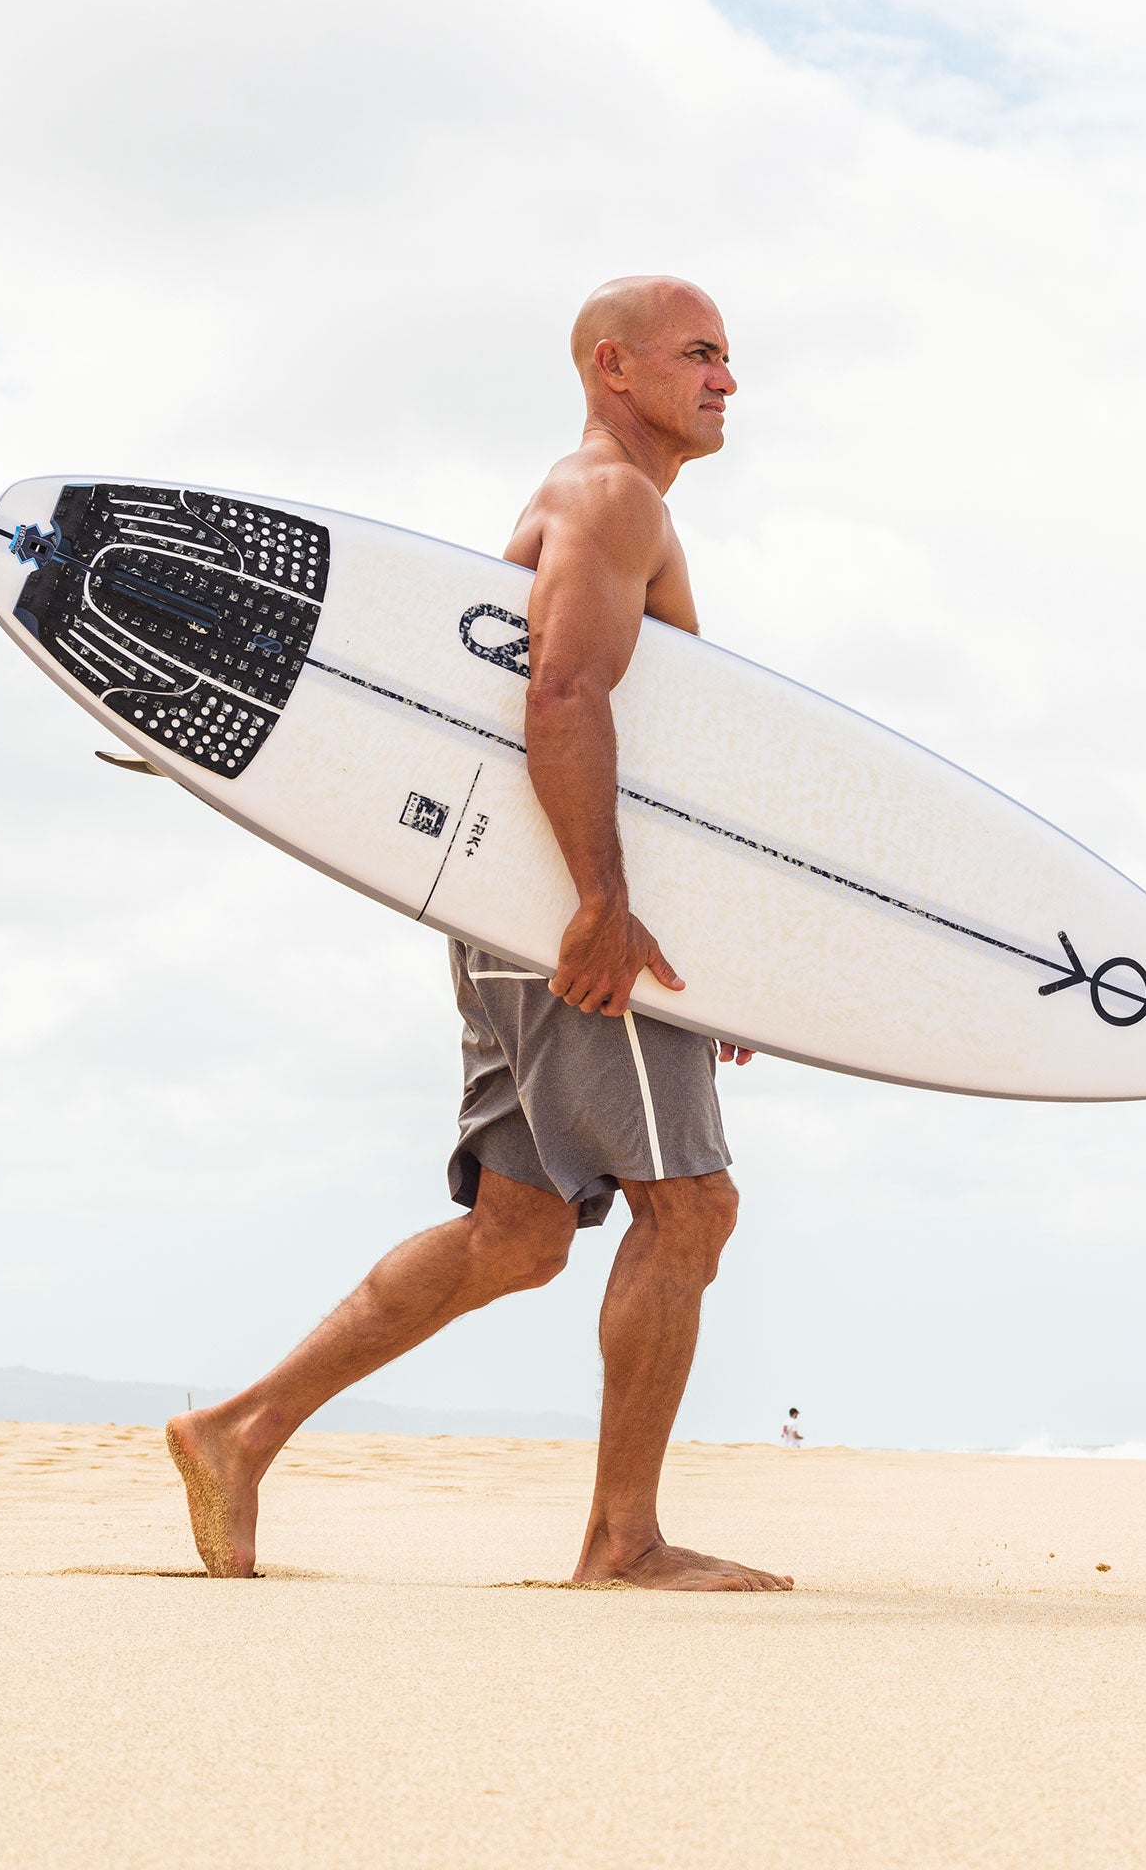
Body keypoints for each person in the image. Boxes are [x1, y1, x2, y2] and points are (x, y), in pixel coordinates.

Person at [165, 276, 792, 1592]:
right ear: (614, 367)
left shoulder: (605, 506)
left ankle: (239, 1430)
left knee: (520, 1232)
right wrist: (603, 910)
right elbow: (562, 694)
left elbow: (642, 747)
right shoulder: (611, 500)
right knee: (689, 1209)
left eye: (731, 359)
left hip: (518, 908)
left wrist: (691, 937)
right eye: (700, 355)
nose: (726, 380)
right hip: (562, 913)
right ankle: (623, 1544)